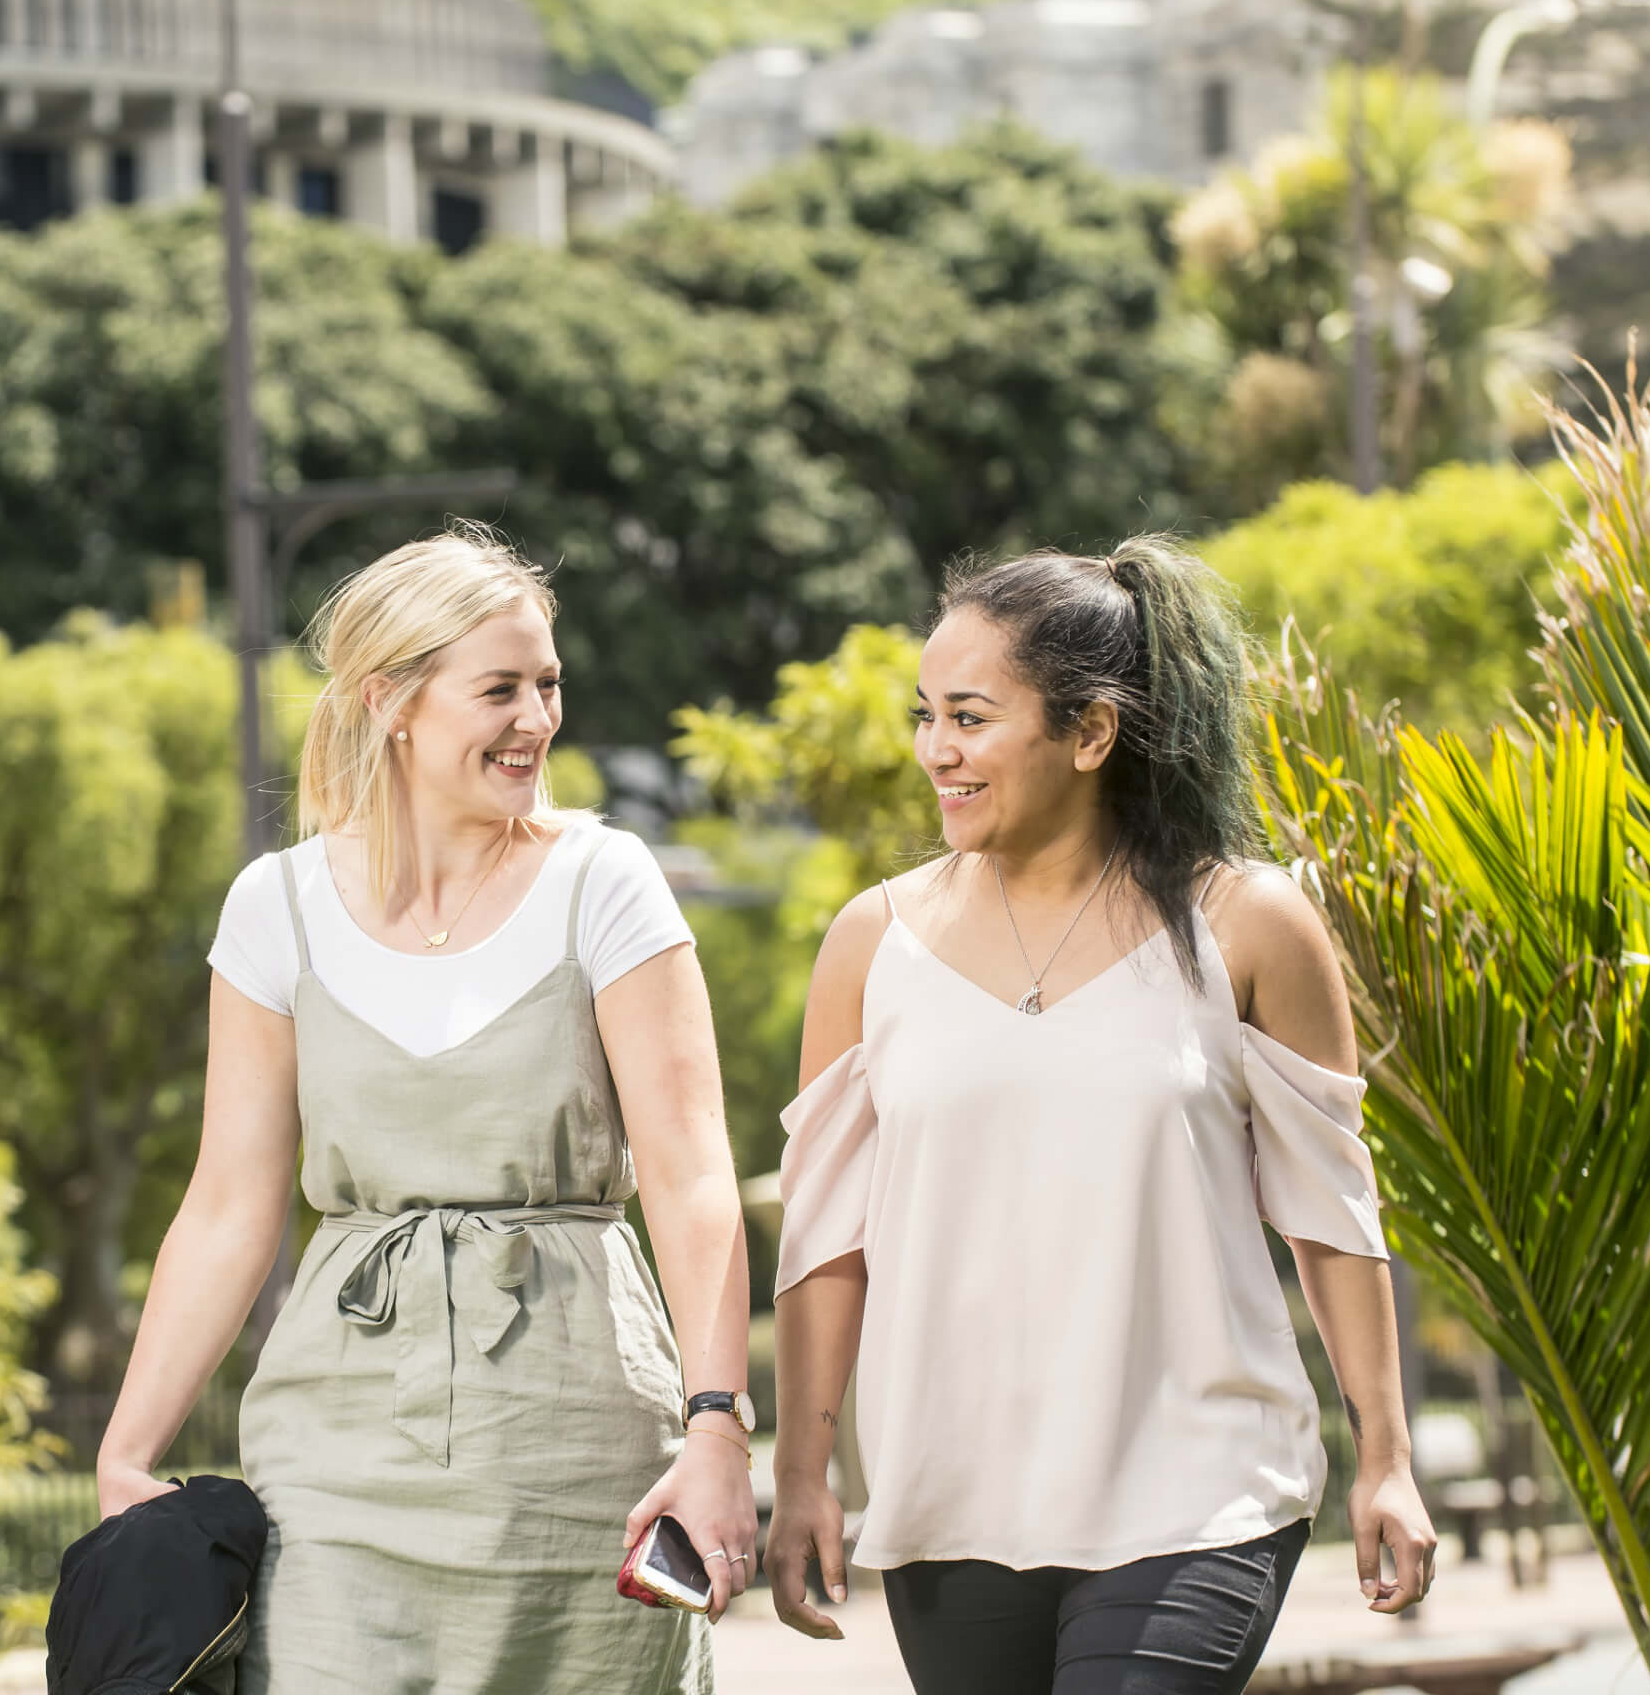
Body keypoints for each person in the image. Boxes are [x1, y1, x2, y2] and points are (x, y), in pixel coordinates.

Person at [766, 541, 1439, 1695]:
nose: (937, 750)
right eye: (925, 715)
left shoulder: (1246, 923)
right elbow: (825, 1244)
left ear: (1088, 734)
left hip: (1195, 1487)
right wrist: (802, 1473)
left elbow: (1330, 1214)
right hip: (953, 1499)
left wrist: (1384, 1456)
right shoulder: (870, 944)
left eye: (970, 718)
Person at [95, 528, 758, 1694]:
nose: (535, 719)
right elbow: (225, 1205)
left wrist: (715, 1427)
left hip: (579, 1448)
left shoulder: (603, 884)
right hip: (336, 1445)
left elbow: (693, 1179)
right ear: (387, 701)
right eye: (497, 689)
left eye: (546, 684)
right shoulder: (275, 908)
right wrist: (126, 1448)